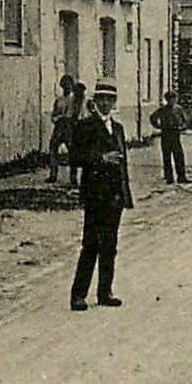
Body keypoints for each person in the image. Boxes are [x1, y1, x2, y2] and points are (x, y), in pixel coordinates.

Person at [69, 83, 133, 311]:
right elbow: (75, 157)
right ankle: (78, 295)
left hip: (114, 196)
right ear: (95, 101)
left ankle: (105, 291)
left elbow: (123, 165)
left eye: (110, 99)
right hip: (95, 195)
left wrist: (125, 195)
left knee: (110, 245)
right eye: (102, 99)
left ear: (115, 102)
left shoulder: (118, 129)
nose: (105, 103)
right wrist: (101, 159)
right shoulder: (85, 126)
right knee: (91, 244)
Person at [148, 90, 191, 185]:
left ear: (176, 99)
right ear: (167, 100)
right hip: (166, 134)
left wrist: (182, 127)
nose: (172, 101)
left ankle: (181, 176)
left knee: (179, 156)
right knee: (167, 156)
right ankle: (169, 177)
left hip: (176, 134)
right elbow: (153, 118)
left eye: (173, 99)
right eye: (169, 99)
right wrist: (158, 126)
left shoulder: (178, 109)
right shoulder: (162, 110)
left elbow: (185, 121)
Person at [46, 75, 78, 183]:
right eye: (64, 85)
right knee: (53, 147)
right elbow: (54, 115)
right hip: (60, 126)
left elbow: (78, 115)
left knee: (73, 151)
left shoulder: (75, 100)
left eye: (68, 85)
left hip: (70, 127)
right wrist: (57, 119)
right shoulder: (59, 100)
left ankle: (73, 177)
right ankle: (53, 175)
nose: (66, 88)